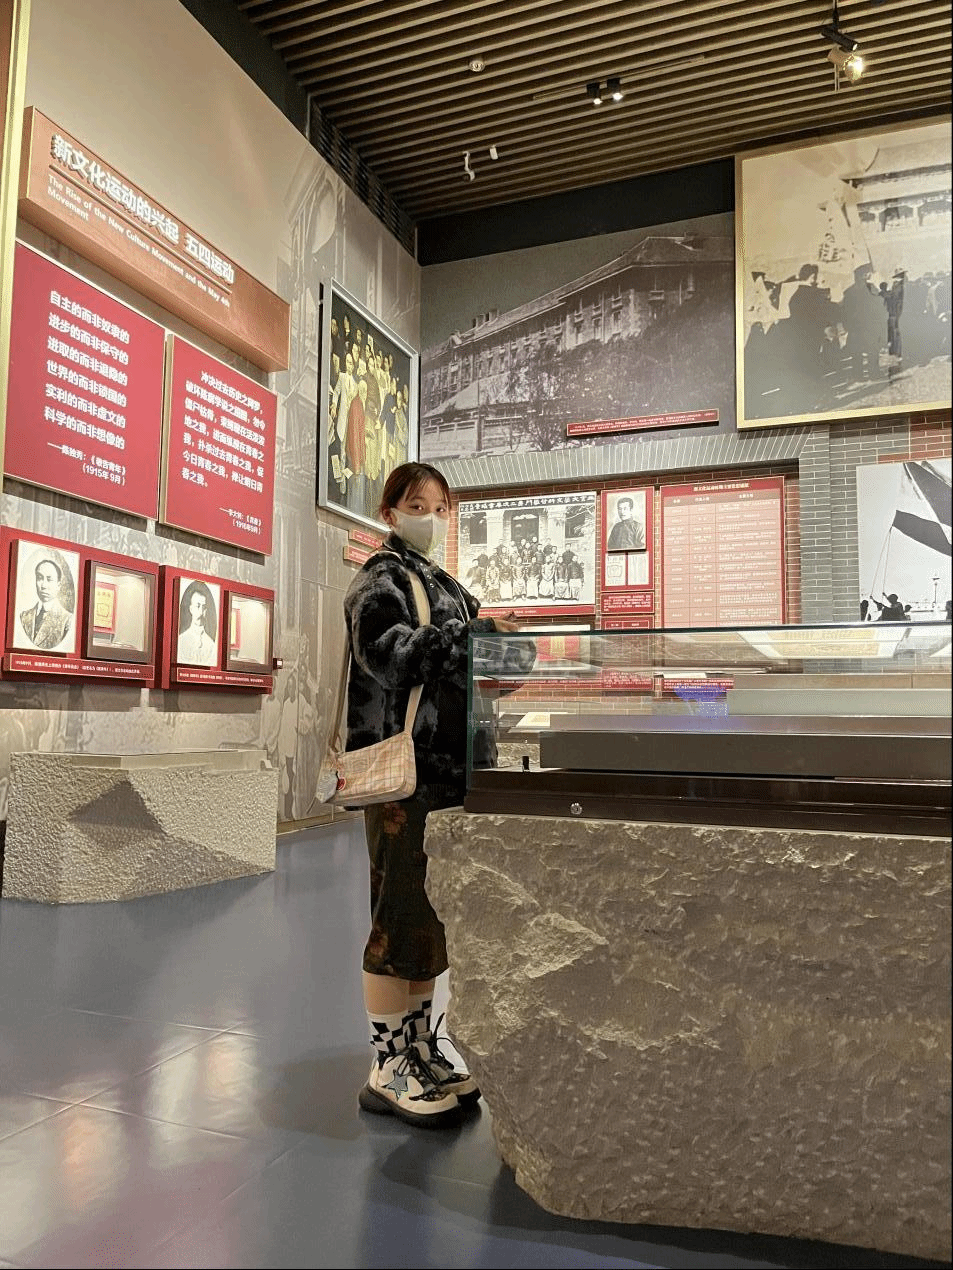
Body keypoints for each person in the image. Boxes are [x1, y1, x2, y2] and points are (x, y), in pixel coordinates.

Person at [343, 461, 534, 1128]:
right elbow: (390, 655)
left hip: (455, 778)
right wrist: (475, 637)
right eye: (417, 505)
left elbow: (477, 667)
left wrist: (509, 650)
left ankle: (420, 1047)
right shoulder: (380, 580)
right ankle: (387, 1064)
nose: (431, 518)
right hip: (407, 780)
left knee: (431, 920)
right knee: (398, 917)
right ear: (390, 513)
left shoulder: (446, 584)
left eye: (440, 507)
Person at [19, 558, 73, 650]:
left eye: (49, 579)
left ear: (58, 585)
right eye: (40, 578)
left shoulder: (67, 619)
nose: (43, 585)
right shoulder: (24, 616)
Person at [177, 580, 218, 665]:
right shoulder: (181, 640)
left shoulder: (211, 645)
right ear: (191, 609)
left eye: (204, 607)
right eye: (198, 606)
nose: (201, 611)